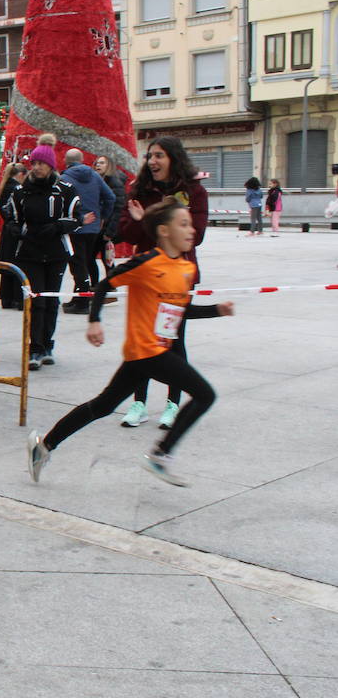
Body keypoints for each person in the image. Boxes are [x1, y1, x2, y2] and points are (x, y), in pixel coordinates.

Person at [27, 201, 233, 487]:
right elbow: (104, 286)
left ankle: (43, 446)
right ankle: (161, 454)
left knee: (103, 406)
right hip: (148, 351)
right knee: (205, 394)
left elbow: (181, 310)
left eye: (191, 224)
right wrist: (95, 320)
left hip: (152, 353)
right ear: (163, 231)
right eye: (183, 224)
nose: (191, 229)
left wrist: (216, 310)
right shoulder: (146, 263)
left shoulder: (185, 268)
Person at [115, 136, 208, 428]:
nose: (153, 161)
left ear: (173, 159)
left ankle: (172, 404)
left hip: (178, 277)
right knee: (144, 342)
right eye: (150, 156)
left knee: (173, 339)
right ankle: (139, 403)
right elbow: (125, 233)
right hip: (146, 277)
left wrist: (149, 224)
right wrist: (147, 225)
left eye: (160, 156)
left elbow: (197, 234)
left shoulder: (194, 192)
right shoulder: (138, 190)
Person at [5, 144, 89, 368]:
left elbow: (76, 218)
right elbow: (11, 217)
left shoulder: (65, 189)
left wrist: (57, 227)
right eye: (34, 163)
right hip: (29, 253)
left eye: (42, 163)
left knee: (51, 300)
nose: (37, 167)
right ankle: (35, 347)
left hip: (56, 252)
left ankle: (47, 344)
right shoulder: (21, 191)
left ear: (51, 165)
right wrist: (20, 230)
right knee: (36, 300)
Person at [59, 149, 117, 314]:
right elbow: (110, 198)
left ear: (66, 161)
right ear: (83, 160)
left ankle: (82, 302)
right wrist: (102, 216)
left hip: (74, 226)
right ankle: (80, 297)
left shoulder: (64, 179)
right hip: (93, 227)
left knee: (77, 264)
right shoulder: (95, 176)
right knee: (86, 261)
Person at [0, 162, 29, 310]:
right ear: (20, 175)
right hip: (15, 231)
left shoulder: (4, 187)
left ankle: (6, 298)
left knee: (8, 266)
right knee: (17, 264)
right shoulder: (16, 189)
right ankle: (16, 298)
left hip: (8, 231)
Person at [93, 155, 127, 283]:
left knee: (106, 259)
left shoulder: (114, 183)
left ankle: (108, 287)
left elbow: (118, 209)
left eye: (102, 163)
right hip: (100, 227)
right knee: (105, 259)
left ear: (109, 166)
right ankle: (104, 287)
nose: (98, 165)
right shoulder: (99, 181)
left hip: (107, 229)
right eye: (97, 163)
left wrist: (109, 233)